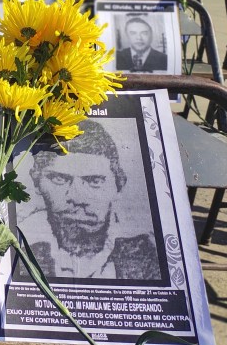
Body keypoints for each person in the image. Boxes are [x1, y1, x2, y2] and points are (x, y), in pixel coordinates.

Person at [17, 120, 160, 281]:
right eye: (59, 179)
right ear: (37, 183)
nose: (77, 198)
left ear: (118, 186)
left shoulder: (149, 253)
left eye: (95, 181)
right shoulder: (18, 245)